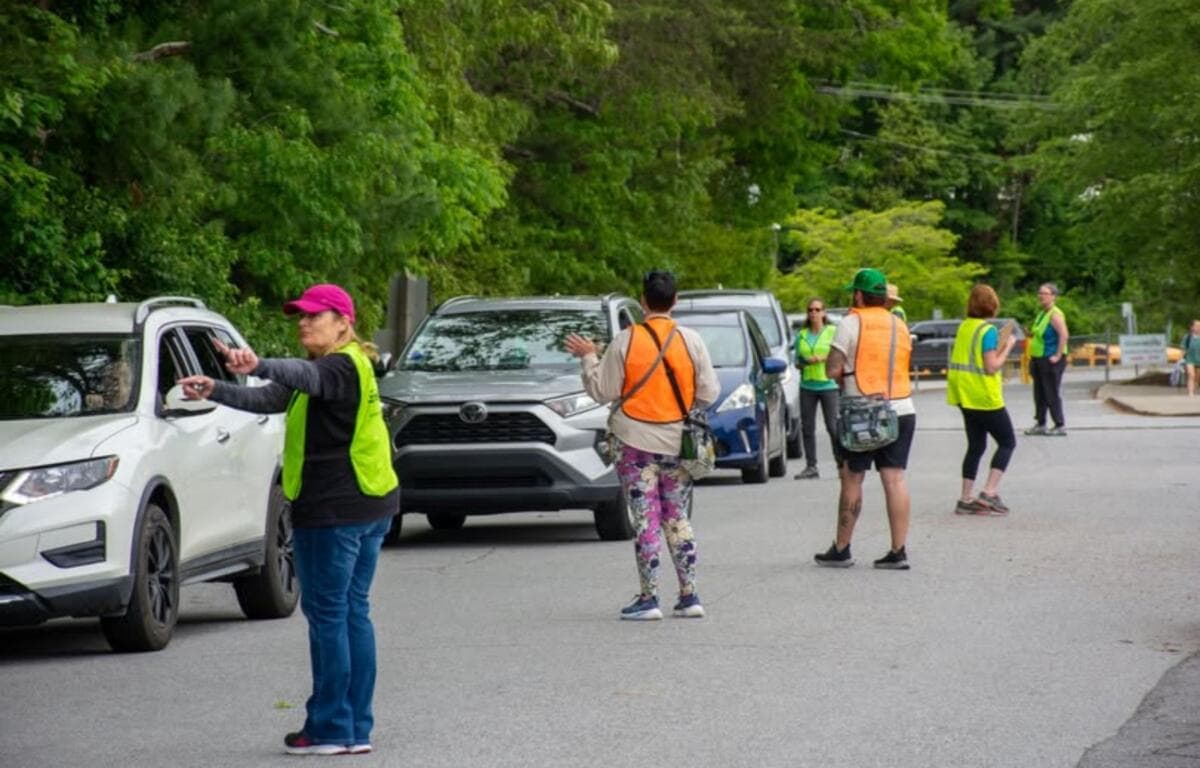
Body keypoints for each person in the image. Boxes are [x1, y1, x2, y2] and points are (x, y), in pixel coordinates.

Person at [179, 284, 399, 757]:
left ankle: (330, 728)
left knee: (330, 616)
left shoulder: (337, 366)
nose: (303, 323)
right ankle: (355, 726)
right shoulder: (345, 366)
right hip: (368, 506)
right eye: (299, 316)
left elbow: (297, 374)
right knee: (351, 612)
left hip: (334, 512)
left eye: (314, 316)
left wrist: (257, 364)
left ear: (343, 322)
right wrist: (218, 389)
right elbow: (275, 398)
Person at [565, 271, 719, 620]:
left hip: (633, 442)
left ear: (643, 301)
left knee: (646, 518)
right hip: (678, 442)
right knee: (677, 516)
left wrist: (589, 357)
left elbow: (602, 390)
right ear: (675, 301)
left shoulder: (625, 340)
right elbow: (709, 393)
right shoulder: (690, 340)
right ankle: (690, 595)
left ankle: (649, 599)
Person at [814, 268, 915, 570]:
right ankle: (898, 551)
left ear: (858, 294)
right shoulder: (899, 324)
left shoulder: (850, 322)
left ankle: (842, 548)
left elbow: (832, 369)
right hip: (901, 407)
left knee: (853, 476)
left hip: (862, 411)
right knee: (894, 478)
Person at [946, 285, 1018, 515]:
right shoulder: (987, 331)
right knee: (1007, 442)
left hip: (963, 396)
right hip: (984, 396)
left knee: (976, 446)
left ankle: (965, 498)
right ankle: (989, 492)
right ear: (992, 305)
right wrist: (1007, 347)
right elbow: (991, 367)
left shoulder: (965, 327)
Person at [793, 297, 839, 480]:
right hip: (808, 385)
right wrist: (805, 362)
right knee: (807, 428)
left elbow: (840, 355)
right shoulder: (802, 335)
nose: (814, 313)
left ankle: (841, 463)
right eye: (811, 310)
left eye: (817, 309)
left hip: (828, 384)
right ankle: (811, 466)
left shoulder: (832, 332)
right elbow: (797, 361)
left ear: (824, 313)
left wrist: (823, 358)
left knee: (832, 426)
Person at [1025, 282, 1069, 436]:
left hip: (1050, 359)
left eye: (1044, 293)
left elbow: (1064, 335)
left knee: (1051, 392)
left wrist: (1057, 355)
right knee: (1039, 392)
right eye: (1040, 293)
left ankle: (1059, 424)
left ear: (1053, 296)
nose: (1041, 296)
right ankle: (1041, 423)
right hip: (1038, 358)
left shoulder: (1055, 314)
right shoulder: (1042, 313)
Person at [1184, 320, 1200, 397]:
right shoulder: (1187, 337)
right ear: (1192, 327)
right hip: (1190, 359)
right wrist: (1181, 358)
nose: (1198, 327)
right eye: (1197, 326)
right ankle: (1191, 392)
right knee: (1191, 375)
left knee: (1197, 377)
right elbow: (1183, 348)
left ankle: (1194, 389)